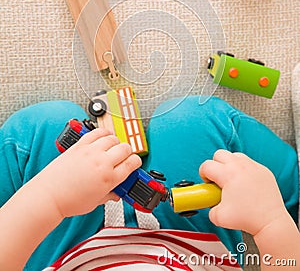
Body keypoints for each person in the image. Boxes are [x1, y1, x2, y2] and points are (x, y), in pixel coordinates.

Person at [0, 96, 299, 270]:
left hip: (64, 248)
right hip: (195, 243)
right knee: (192, 118)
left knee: (40, 127)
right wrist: (271, 221)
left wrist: (51, 196)